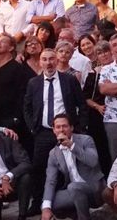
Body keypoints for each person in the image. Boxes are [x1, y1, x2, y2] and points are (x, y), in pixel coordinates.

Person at [23, 48, 87, 215]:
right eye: (44, 59)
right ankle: (38, 203)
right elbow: (27, 107)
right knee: (39, 168)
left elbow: (81, 104)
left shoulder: (69, 80)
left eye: (52, 59)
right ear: (40, 62)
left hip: (66, 131)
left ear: (57, 60)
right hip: (43, 132)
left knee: (69, 166)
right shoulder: (33, 83)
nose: (48, 63)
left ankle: (69, 204)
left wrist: (79, 127)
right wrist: (32, 126)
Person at [40, 114, 104, 220]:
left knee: (73, 187)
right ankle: (74, 215)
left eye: (64, 126)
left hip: (93, 189)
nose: (61, 130)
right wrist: (46, 208)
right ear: (53, 130)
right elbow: (50, 181)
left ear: (72, 127)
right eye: (58, 127)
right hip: (74, 191)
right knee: (48, 203)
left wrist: (71, 145)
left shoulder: (86, 140)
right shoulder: (54, 153)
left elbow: (93, 161)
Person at [0, 35, 29, 149]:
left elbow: (22, 94)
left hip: (10, 118)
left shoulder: (18, 68)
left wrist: (16, 117)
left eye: (2, 42)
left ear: (11, 48)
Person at [82, 40, 113, 175]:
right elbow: (86, 97)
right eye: (100, 53)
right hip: (97, 115)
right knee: (101, 148)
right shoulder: (93, 74)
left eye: (106, 51)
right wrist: (97, 106)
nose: (104, 55)